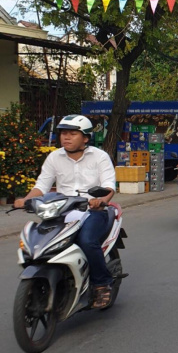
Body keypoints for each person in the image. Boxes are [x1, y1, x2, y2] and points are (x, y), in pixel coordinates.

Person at [14, 114, 117, 309]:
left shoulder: (100, 157)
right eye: (63, 133)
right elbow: (42, 185)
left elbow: (108, 186)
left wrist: (101, 200)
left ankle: (102, 283)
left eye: (72, 133)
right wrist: (25, 200)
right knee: (40, 241)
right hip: (61, 210)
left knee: (87, 240)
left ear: (85, 138)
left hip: (93, 211)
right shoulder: (54, 157)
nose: (66, 137)